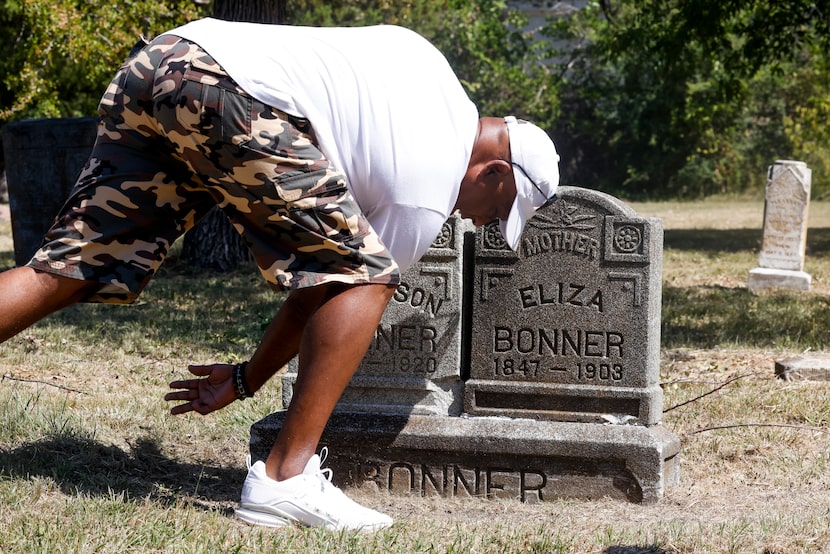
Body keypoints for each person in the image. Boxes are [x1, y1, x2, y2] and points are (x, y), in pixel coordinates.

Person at [0, 18, 559, 531]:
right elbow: (338, 285)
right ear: (494, 171)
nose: (478, 220)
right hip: (224, 89)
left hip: (165, 62)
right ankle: (285, 479)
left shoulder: (430, 69)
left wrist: (246, 377)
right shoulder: (426, 190)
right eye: (498, 209)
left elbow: (321, 273)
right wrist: (252, 378)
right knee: (370, 275)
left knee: (74, 266)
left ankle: (285, 476)